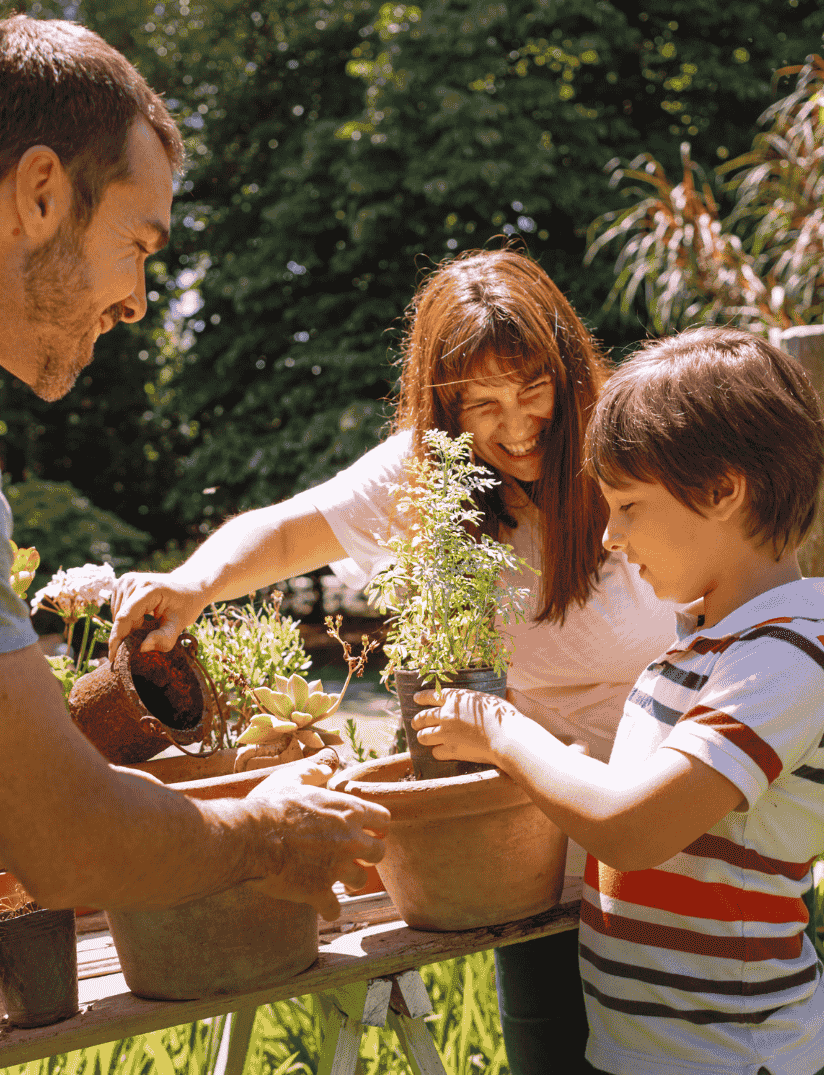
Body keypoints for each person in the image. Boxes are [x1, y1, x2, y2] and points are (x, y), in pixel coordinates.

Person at [0, 14, 388, 921]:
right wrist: (269, 833)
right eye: (137, 244)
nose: (135, 302)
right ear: (41, 192)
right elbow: (75, 852)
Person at [109, 249, 680, 1071]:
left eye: (533, 392)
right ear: (445, 408)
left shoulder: (629, 443)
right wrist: (194, 583)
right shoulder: (427, 473)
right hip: (540, 853)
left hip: (676, 839)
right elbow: (283, 528)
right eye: (483, 404)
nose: (516, 427)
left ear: (569, 370)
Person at [414, 326, 824, 1075]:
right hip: (652, 1053)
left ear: (722, 491)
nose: (609, 536)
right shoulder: (700, 646)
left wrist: (507, 734)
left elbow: (633, 829)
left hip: (734, 1057)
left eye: (630, 506)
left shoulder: (791, 654)